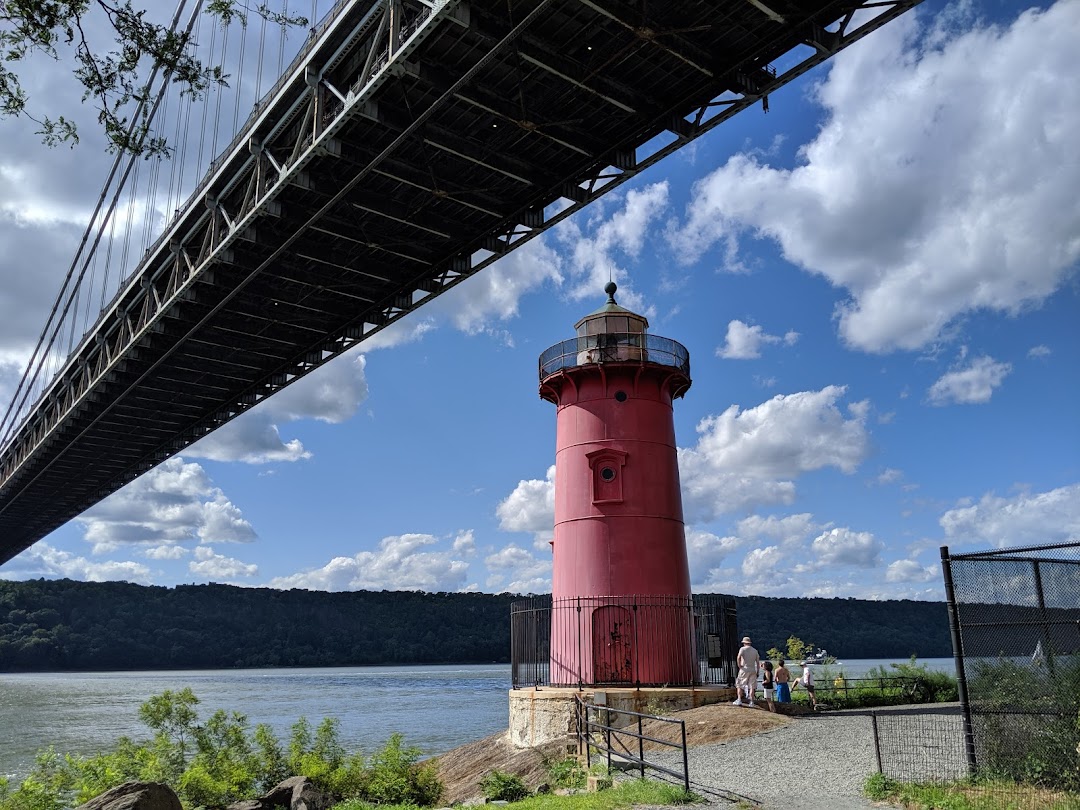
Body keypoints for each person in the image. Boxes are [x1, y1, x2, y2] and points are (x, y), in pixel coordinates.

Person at [733, 635, 760, 707]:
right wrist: (757, 671)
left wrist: (739, 665)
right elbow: (757, 662)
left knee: (740, 684)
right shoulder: (755, 650)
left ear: (744, 643)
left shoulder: (742, 649)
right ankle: (751, 702)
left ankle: (739, 699)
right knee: (752, 686)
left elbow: (738, 657)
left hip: (744, 668)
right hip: (752, 669)